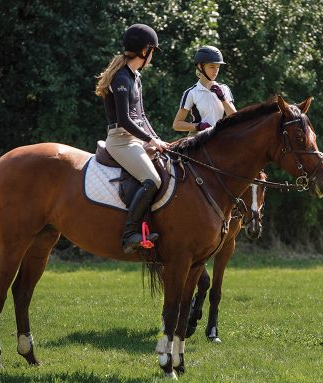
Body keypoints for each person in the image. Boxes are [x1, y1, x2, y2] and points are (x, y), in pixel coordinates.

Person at [95, 23, 169, 254]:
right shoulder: (120, 79)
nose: (152, 57)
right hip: (120, 140)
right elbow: (126, 120)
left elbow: (142, 116)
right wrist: (149, 140)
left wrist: (158, 140)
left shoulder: (134, 76)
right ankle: (129, 235)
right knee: (153, 180)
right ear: (145, 50)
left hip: (135, 139)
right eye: (152, 52)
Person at [172, 45, 236, 134]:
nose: (216, 71)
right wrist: (198, 126)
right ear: (200, 66)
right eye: (212, 66)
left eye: (218, 67)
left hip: (221, 137)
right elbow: (177, 125)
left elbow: (235, 118)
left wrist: (223, 99)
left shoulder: (224, 89)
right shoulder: (191, 93)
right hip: (198, 138)